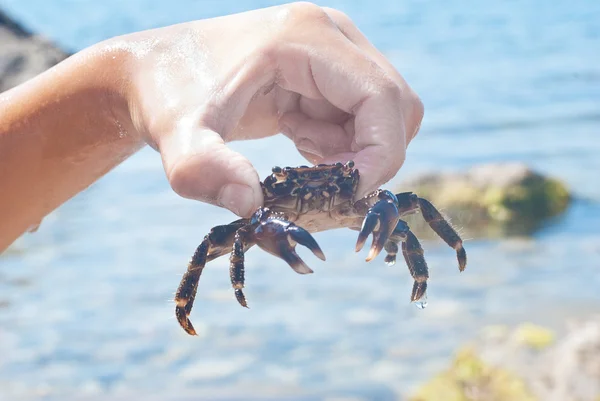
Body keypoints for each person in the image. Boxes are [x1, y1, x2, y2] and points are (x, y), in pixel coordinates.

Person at [0, 2, 423, 252]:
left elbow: (403, 207)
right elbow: (213, 248)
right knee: (216, 244)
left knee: (409, 204)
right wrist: (131, 76)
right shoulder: (263, 206)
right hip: (276, 212)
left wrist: (123, 84)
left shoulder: (357, 198)